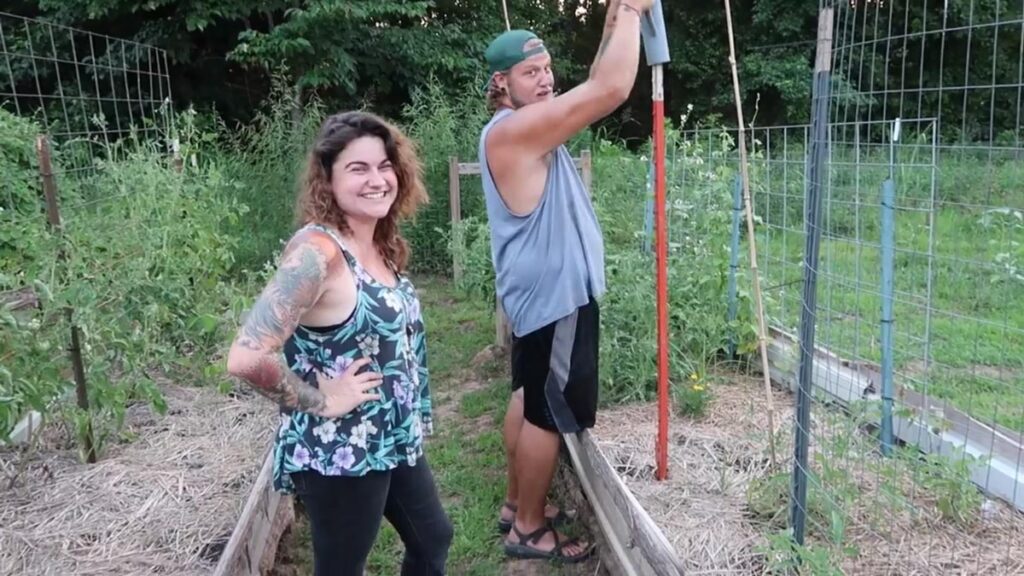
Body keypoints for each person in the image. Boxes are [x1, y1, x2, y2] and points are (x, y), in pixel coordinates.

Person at [225, 110, 453, 576]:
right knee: (342, 569)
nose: (377, 179)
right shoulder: (317, 253)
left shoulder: (377, 242)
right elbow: (246, 357)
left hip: (390, 436)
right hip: (342, 451)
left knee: (433, 538)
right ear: (327, 180)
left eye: (384, 165)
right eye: (358, 168)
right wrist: (321, 399)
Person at [478, 0, 654, 564]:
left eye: (548, 67)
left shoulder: (520, 127)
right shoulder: (516, 132)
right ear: (501, 83)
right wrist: (631, 10)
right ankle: (528, 530)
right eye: (531, 72)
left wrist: (610, 24)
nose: (546, 78)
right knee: (546, 413)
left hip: (539, 297)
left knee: (529, 396)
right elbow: (608, 89)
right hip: (557, 299)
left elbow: (595, 81)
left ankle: (516, 503)